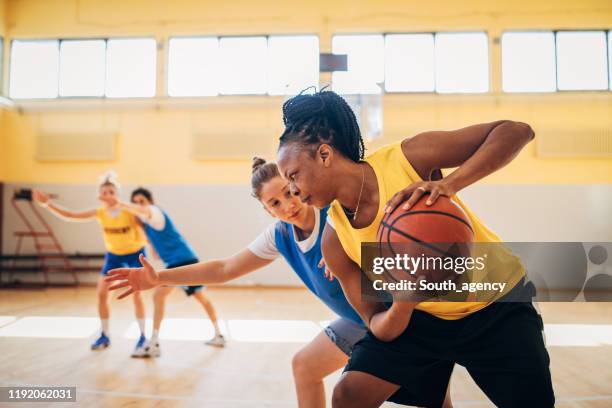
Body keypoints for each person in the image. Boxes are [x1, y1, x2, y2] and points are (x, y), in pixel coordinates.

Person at [275, 90, 554, 408]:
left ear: (324, 155)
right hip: (421, 318)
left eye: (293, 175)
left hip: (497, 305)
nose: (293, 190)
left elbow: (516, 131)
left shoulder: (408, 159)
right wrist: (403, 305)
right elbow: (375, 324)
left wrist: (450, 184)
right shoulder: (334, 242)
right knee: (349, 394)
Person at [104, 158, 453, 408]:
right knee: (305, 366)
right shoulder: (279, 235)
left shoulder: (334, 216)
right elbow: (224, 268)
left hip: (390, 315)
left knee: (434, 400)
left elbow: (390, 243)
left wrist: (354, 257)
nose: (289, 204)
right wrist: (159, 277)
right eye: (275, 202)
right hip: (355, 321)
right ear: (267, 209)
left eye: (290, 192)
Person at [32, 171, 148, 356]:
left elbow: (145, 215)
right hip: (114, 256)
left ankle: (143, 336)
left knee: (137, 295)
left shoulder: (128, 210)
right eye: (104, 191)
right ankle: (104, 334)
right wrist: (47, 204)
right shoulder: (100, 213)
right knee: (102, 294)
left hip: (136, 254)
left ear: (116, 194)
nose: (107, 194)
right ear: (100, 195)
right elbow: (71, 215)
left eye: (111, 191)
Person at [109, 187, 225, 356]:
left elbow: (144, 212)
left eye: (141, 201)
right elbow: (155, 250)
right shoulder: (148, 225)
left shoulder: (156, 213)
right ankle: (219, 334)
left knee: (160, 296)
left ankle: (154, 344)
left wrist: (121, 204)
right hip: (177, 262)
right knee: (198, 298)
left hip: (184, 261)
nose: (138, 205)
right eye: (135, 202)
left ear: (150, 202)